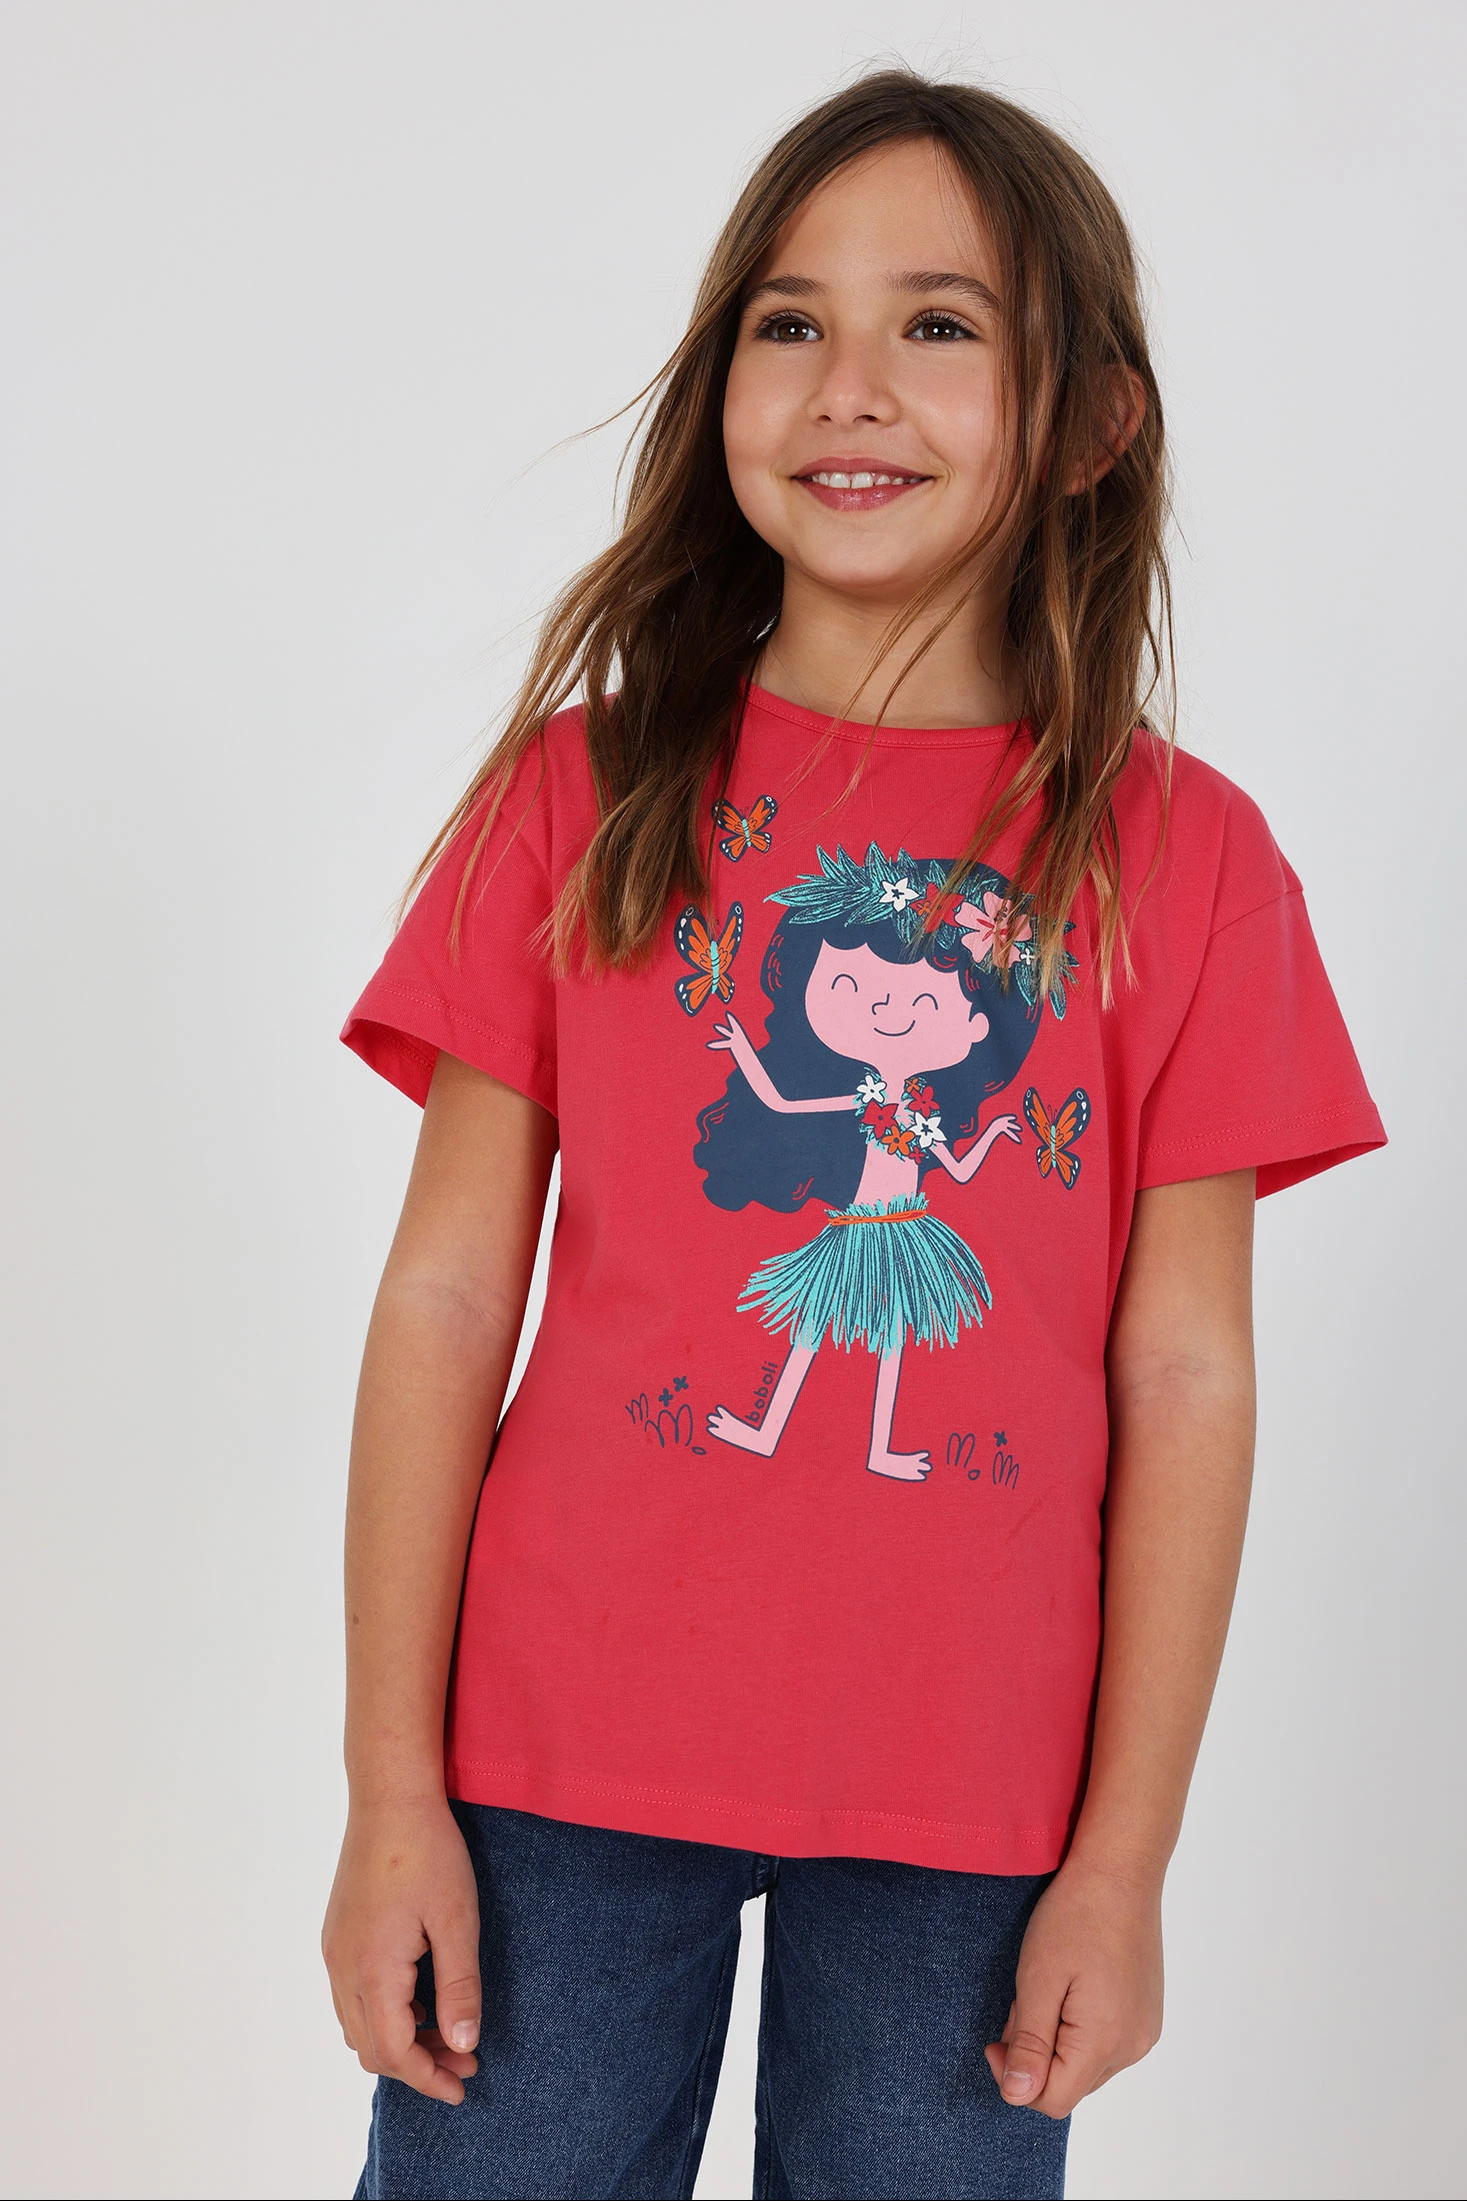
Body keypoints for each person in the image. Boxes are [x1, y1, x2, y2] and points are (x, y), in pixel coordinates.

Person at [322, 69, 1385, 2201]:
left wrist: (1125, 1860)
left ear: (1091, 424)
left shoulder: (1187, 860)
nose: (849, 386)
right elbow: (442, 1298)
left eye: (942, 324)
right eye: (789, 320)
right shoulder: (582, 795)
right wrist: (385, 1790)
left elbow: (1187, 1372)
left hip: (976, 1798)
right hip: (552, 1747)